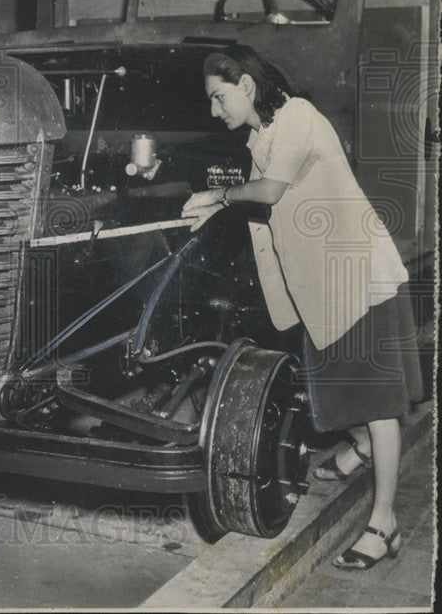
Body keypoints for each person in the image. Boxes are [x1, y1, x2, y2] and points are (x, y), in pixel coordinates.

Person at [181, 44, 423, 571]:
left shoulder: (298, 117)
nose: (215, 110)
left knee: (380, 403)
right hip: (324, 284)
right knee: (336, 385)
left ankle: (385, 523)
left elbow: (267, 192)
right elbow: (267, 210)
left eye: (220, 98)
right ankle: (358, 447)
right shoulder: (261, 133)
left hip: (358, 276)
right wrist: (211, 210)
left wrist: (218, 199)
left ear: (246, 87)